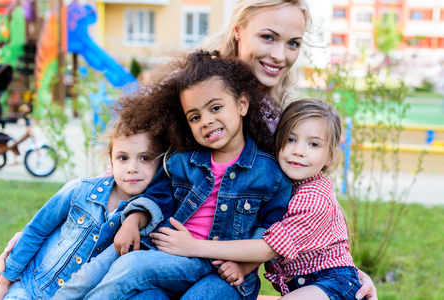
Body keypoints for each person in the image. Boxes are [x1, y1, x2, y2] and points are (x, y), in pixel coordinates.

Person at [0, 0, 378, 297]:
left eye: (292, 43)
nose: (280, 54)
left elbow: (304, 205)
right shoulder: (194, 87)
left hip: (223, 266)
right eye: (268, 37)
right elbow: (131, 162)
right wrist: (55, 232)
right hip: (148, 242)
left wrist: (342, 274)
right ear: (239, 31)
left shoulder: (280, 119)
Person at [48, 50, 292, 300]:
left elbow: (271, 233)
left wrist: (245, 266)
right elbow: (158, 197)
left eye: (215, 108)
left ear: (242, 104)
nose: (206, 121)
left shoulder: (270, 173)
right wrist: (133, 220)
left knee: (139, 270)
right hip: (170, 257)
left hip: (226, 271)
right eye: (195, 117)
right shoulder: (182, 162)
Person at [151, 98, 362, 300]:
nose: (298, 151)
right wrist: (243, 267)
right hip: (308, 284)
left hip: (332, 282)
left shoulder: (314, 198)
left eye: (313, 144)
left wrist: (194, 246)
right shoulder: (283, 182)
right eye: (291, 139)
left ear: (330, 157)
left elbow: (266, 248)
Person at [0, 109, 168, 300]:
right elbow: (36, 231)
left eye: (145, 158)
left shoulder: (147, 215)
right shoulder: (80, 190)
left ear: (159, 163)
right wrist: (4, 281)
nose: (132, 168)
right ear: (111, 160)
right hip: (30, 288)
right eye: (123, 158)